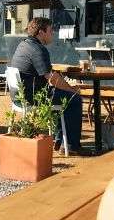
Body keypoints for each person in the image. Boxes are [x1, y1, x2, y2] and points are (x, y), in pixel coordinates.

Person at [9, 17, 88, 156]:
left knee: (62, 95)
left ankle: (60, 141)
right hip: (33, 96)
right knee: (74, 99)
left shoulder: (23, 45)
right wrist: (72, 89)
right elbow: (52, 78)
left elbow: (50, 77)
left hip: (19, 96)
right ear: (41, 32)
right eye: (50, 31)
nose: (53, 34)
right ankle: (71, 145)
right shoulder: (38, 49)